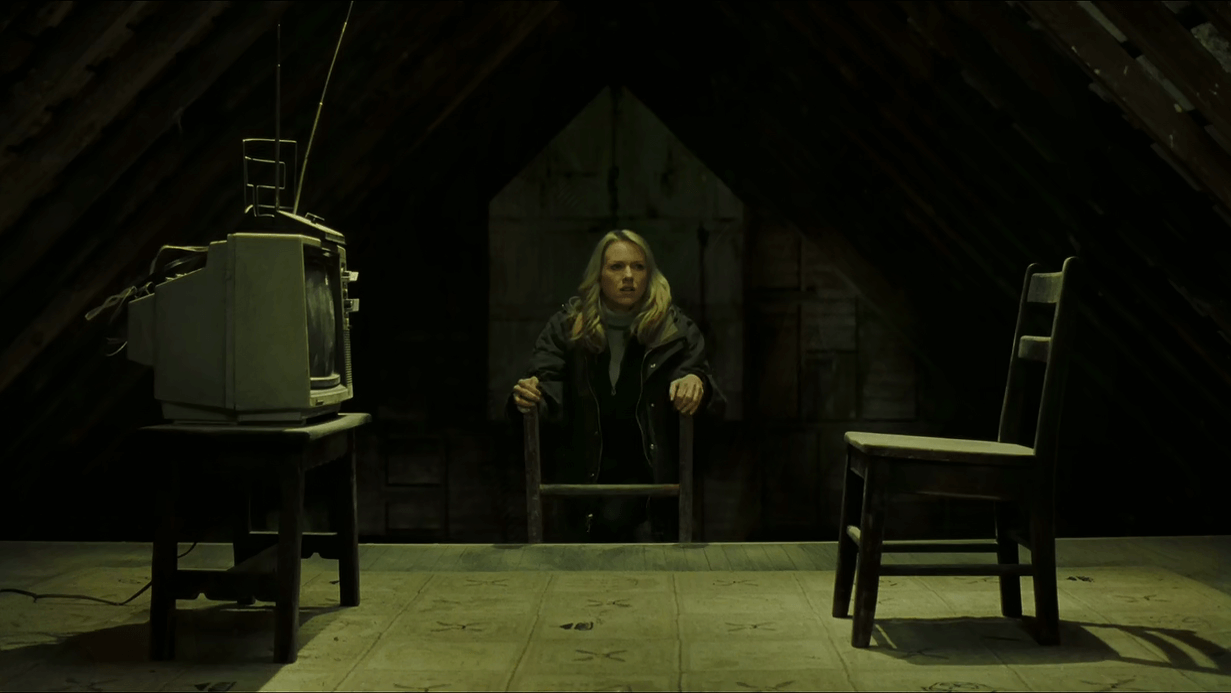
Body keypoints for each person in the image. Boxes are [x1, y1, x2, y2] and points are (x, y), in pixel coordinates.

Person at [506, 229, 725, 543]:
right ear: (599, 274)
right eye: (617, 267)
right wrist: (530, 396)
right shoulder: (567, 327)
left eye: (638, 266)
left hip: (654, 494)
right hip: (582, 489)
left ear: (650, 274)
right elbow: (547, 383)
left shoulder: (675, 331)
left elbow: (703, 388)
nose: (628, 276)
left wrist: (697, 384)